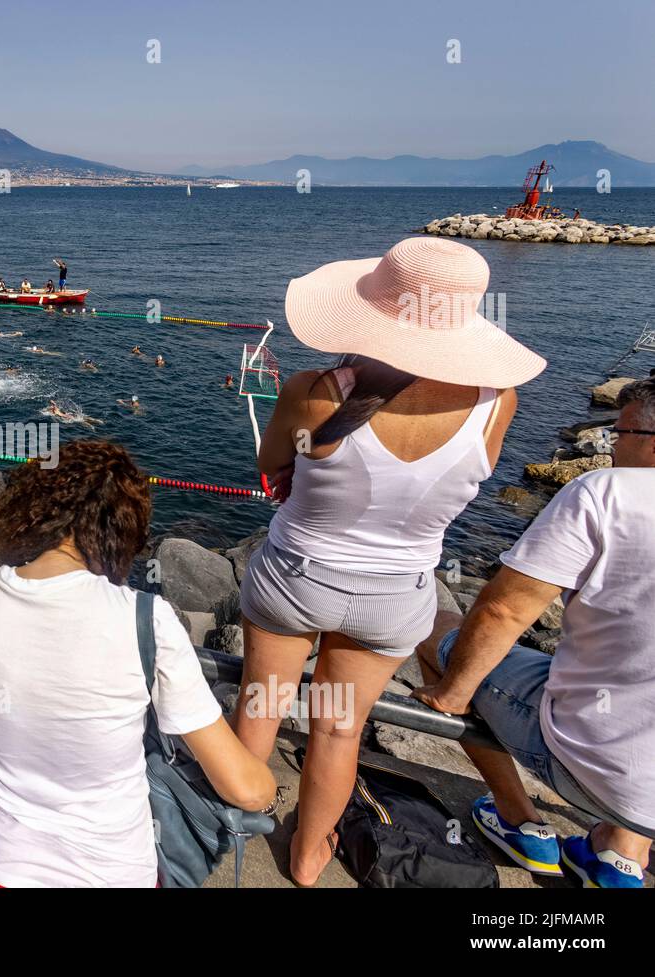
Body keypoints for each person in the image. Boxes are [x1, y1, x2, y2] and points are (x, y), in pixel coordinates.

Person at [231, 237, 546, 886]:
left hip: (295, 579)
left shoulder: (315, 391)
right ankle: (310, 858)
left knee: (261, 706)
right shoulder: (497, 405)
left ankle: (227, 829)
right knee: (340, 730)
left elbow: (273, 465)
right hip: (396, 598)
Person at [0, 440, 275, 886]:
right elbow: (244, 788)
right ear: (123, 529)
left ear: (33, 506)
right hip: (108, 872)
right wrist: (270, 796)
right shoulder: (146, 620)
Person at [412, 378, 655, 888]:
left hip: (597, 769)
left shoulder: (607, 493)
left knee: (427, 624)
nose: (611, 446)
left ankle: (520, 820)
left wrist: (454, 693)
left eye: (619, 433)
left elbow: (504, 611)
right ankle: (619, 853)